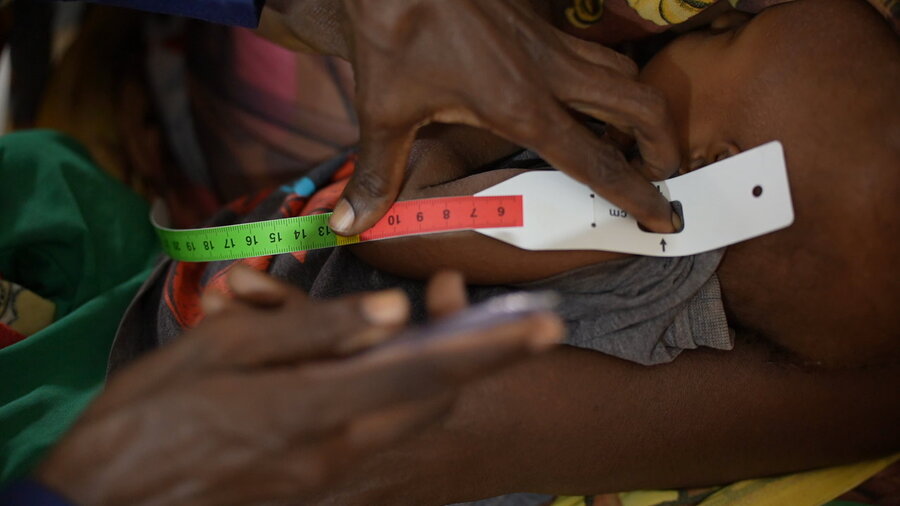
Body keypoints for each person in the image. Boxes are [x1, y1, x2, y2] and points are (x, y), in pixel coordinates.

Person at [101, 0, 898, 503]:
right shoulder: (682, 277)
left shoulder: (613, 228)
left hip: (213, 368)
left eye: (730, 31)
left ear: (718, 175)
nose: (701, 20)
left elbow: (404, 233)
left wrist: (458, 143)